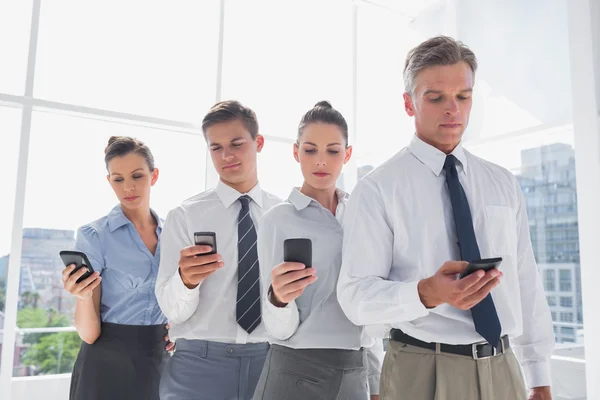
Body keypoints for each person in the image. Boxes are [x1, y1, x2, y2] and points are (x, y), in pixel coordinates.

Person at [337, 36, 554, 400]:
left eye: (463, 96)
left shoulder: (502, 183)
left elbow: (526, 280)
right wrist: (425, 293)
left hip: (504, 368)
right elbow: (354, 295)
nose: (452, 110)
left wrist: (540, 375)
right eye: (435, 98)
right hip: (421, 370)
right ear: (409, 104)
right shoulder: (377, 190)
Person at [252, 101, 383, 400]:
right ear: (296, 152)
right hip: (293, 371)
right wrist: (279, 298)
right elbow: (276, 328)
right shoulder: (277, 219)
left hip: (354, 371)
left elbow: (369, 303)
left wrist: (375, 383)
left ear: (347, 154)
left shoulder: (361, 217)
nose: (321, 161)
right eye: (310, 150)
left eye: (333, 151)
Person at [156, 100, 281, 400]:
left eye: (237, 143)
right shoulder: (184, 216)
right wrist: (186, 280)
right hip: (197, 367)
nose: (227, 155)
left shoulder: (284, 216)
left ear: (258, 143)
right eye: (216, 147)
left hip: (271, 364)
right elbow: (172, 309)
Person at [62, 136, 174, 400]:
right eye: (118, 179)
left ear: (154, 175)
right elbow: (89, 334)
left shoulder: (174, 234)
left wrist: (180, 329)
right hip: (105, 366)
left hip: (159, 362)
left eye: (137, 176)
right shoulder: (95, 235)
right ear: (109, 181)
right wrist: (83, 296)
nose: (129, 188)